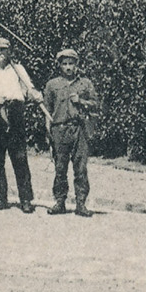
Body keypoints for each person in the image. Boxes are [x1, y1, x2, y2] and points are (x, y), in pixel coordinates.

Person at [0, 37, 43, 213]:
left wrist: (35, 95)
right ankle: (0, 199)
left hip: (16, 114)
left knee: (20, 158)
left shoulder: (18, 70)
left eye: (4, 49)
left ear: (10, 51)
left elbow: (29, 91)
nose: (1, 53)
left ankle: (26, 199)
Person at [42, 47, 100, 217]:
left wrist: (80, 101)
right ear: (59, 65)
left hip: (79, 129)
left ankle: (81, 204)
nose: (68, 67)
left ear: (77, 64)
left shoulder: (85, 83)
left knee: (80, 168)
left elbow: (96, 104)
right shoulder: (52, 84)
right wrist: (48, 133)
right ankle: (60, 202)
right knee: (60, 168)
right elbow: (47, 109)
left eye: (71, 63)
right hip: (59, 130)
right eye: (64, 64)